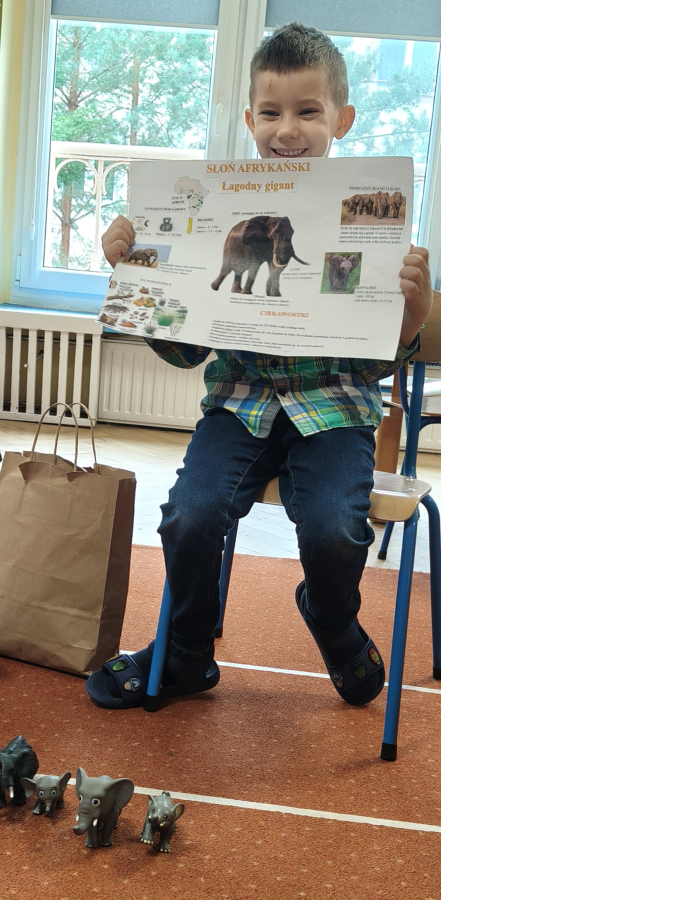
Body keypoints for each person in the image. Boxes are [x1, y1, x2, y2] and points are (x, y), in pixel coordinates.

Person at [85, 22, 433, 710]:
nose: (287, 130)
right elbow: (186, 351)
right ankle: (185, 652)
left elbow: (377, 363)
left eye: (308, 111)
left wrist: (412, 317)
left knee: (334, 528)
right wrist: (134, 277)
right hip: (239, 404)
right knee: (189, 515)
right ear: (250, 120)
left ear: (342, 120)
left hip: (335, 409)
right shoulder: (221, 206)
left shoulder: (375, 219)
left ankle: (332, 621)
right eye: (271, 112)